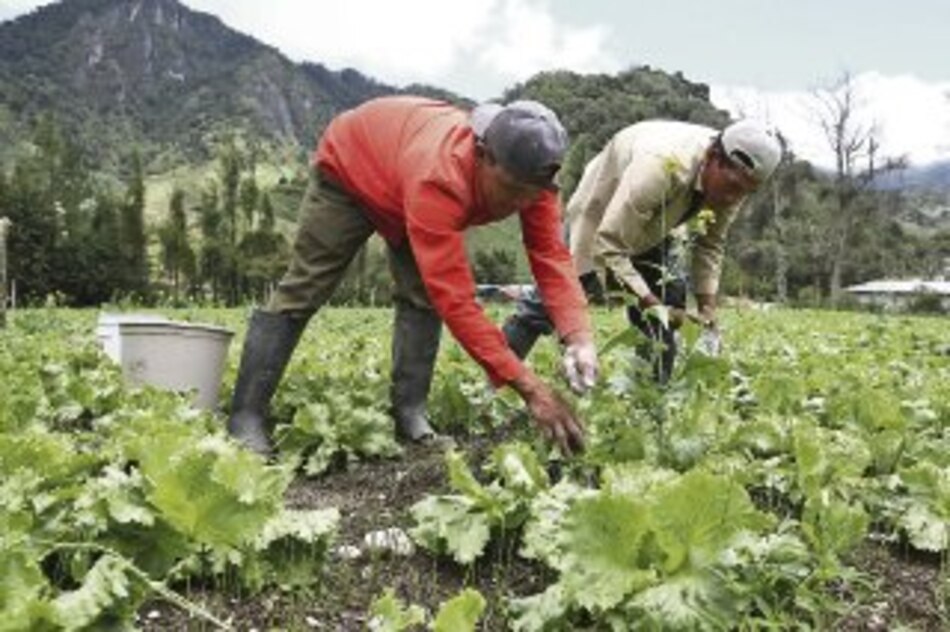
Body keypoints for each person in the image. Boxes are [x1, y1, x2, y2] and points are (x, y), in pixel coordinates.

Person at [227, 96, 599, 458]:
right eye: (512, 191)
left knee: (420, 297)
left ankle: (410, 413)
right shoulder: (441, 178)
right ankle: (245, 416)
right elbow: (455, 299)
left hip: (404, 171)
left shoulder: (535, 181)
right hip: (353, 166)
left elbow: (550, 257)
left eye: (530, 195)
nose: (520, 204)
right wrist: (532, 389)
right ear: (483, 156)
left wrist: (579, 337)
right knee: (306, 285)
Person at [503, 119, 782, 382]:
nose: (733, 198)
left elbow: (710, 244)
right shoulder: (661, 166)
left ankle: (651, 399)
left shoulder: (733, 181)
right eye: (733, 187)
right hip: (604, 207)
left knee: (669, 302)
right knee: (556, 296)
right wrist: (651, 304)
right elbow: (609, 245)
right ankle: (495, 381)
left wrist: (707, 308)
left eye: (746, 192)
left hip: (662, 220)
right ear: (712, 157)